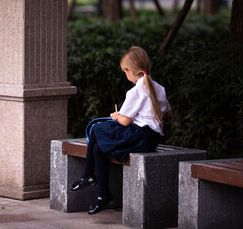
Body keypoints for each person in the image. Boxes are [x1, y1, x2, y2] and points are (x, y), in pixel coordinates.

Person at [70, 46, 172, 215]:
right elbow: (168, 113)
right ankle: (103, 196)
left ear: (129, 71)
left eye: (124, 72)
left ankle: (87, 175)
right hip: (151, 139)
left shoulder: (135, 91)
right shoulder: (158, 88)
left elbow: (124, 121)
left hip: (140, 136)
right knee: (98, 147)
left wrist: (116, 115)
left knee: (96, 129)